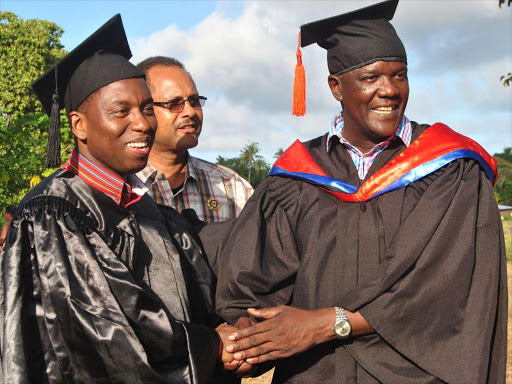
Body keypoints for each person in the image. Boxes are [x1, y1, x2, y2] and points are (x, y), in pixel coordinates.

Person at [215, 1, 507, 383]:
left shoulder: (449, 169)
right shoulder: (296, 177)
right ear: (336, 87)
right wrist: (245, 336)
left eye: (400, 76)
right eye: (371, 78)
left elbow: (443, 284)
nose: (389, 90)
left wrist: (324, 324)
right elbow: (251, 279)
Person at [0, 15, 242, 384]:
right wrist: (210, 346)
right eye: (121, 111)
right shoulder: (52, 213)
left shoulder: (145, 207)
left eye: (147, 108)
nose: (143, 123)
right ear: (79, 125)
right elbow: (107, 337)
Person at [135, 56, 253, 224]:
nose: (190, 112)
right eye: (174, 103)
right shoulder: (121, 186)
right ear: (145, 110)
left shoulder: (233, 189)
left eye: (194, 101)